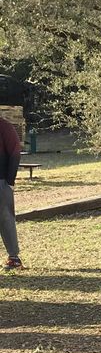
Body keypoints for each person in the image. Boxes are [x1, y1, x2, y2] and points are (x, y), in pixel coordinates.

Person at [0, 114, 23, 269]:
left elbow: (15, 152)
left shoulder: (5, 127)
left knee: (6, 217)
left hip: (1, 181)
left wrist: (9, 181)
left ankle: (14, 257)